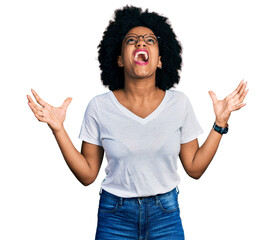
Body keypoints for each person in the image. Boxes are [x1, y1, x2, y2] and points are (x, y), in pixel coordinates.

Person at [27, 5, 248, 240]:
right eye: (132, 40)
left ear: (160, 60)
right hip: (115, 218)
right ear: (120, 59)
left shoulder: (179, 104)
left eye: (150, 40)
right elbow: (88, 175)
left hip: (166, 217)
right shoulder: (99, 107)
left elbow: (194, 168)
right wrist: (58, 129)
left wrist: (220, 123)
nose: (141, 43)